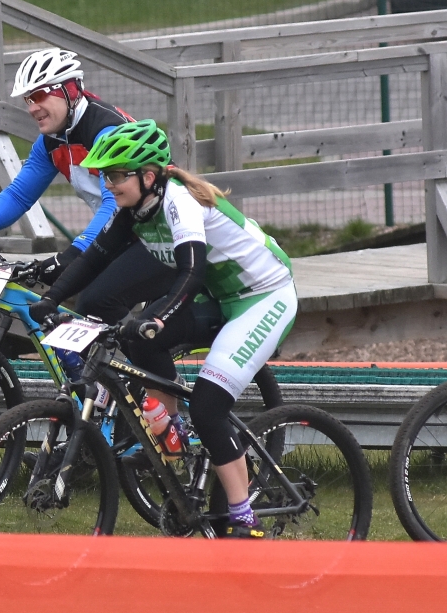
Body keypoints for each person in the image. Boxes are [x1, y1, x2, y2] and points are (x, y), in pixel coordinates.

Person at [29, 119, 296, 538]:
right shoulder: (134, 209)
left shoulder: (179, 202)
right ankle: (173, 431)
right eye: (105, 176)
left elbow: (190, 272)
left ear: (148, 176)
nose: (108, 184)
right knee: (137, 341)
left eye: (117, 175)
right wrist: (50, 299)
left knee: (207, 407)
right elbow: (93, 259)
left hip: (263, 298)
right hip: (220, 295)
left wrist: (159, 318)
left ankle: (245, 516)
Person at [0, 48, 175, 320]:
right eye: (28, 99)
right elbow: (19, 195)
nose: (32, 108)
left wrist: (74, 253)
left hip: (162, 231)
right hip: (125, 230)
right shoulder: (52, 140)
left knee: (93, 305)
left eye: (39, 96)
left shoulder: (105, 132)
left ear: (70, 91)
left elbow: (113, 205)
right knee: (83, 310)